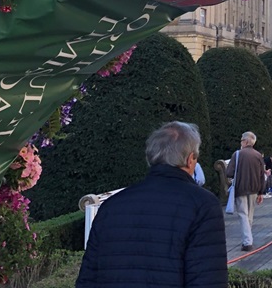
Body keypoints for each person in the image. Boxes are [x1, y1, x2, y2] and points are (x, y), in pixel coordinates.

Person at [77, 121, 226, 287]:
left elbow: (87, 278)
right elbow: (208, 279)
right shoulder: (203, 205)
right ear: (190, 159)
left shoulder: (111, 206)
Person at [226, 131, 267, 251]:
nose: (241, 142)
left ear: (246, 141)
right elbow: (262, 175)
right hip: (254, 189)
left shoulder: (237, 154)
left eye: (241, 140)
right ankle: (248, 239)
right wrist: (261, 192)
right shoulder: (258, 155)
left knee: (243, 214)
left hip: (241, 188)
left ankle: (247, 242)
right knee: (249, 215)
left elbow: (229, 172)